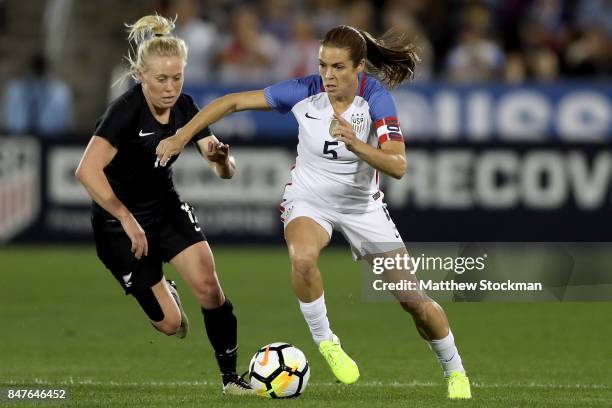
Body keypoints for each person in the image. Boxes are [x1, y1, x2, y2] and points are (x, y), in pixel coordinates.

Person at [156, 25, 472, 399]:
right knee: (303, 259)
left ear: (359, 67)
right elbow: (232, 103)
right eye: (323, 65)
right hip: (309, 198)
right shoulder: (304, 91)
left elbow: (398, 165)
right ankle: (327, 343)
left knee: (413, 300)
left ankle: (456, 372)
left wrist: (356, 143)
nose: (328, 75)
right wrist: (181, 136)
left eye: (338, 67)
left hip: (361, 206)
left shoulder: (377, 99)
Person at [74, 14, 252, 395]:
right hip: (116, 224)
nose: (171, 88)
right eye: (161, 79)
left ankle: (231, 379)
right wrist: (125, 218)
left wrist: (221, 159)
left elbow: (225, 171)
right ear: (141, 75)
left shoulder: (185, 107)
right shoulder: (124, 112)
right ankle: (161, 291)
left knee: (209, 286)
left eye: (177, 78)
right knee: (171, 325)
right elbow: (86, 171)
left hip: (165, 208)